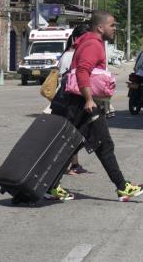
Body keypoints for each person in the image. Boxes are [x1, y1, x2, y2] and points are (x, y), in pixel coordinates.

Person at [46, 11, 143, 202]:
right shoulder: (93, 44)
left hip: (77, 102)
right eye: (112, 25)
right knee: (99, 145)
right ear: (100, 27)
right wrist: (89, 99)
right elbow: (83, 71)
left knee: (81, 145)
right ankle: (122, 187)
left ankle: (51, 185)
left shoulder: (89, 41)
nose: (114, 28)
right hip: (82, 103)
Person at [48, 25, 90, 174]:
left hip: (62, 98)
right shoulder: (76, 55)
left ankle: (74, 164)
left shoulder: (66, 54)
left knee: (72, 133)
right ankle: (65, 166)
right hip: (70, 99)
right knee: (71, 134)